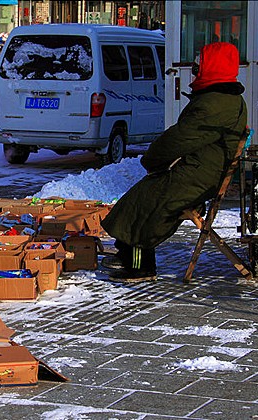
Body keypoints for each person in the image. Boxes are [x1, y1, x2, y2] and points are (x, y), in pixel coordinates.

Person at [100, 42, 247, 282]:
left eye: (200, 64)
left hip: (198, 177)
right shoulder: (221, 98)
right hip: (200, 173)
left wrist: (153, 158)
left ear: (214, 66)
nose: (196, 68)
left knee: (145, 203)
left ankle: (139, 266)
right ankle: (126, 252)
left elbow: (180, 138)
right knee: (145, 194)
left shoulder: (215, 102)